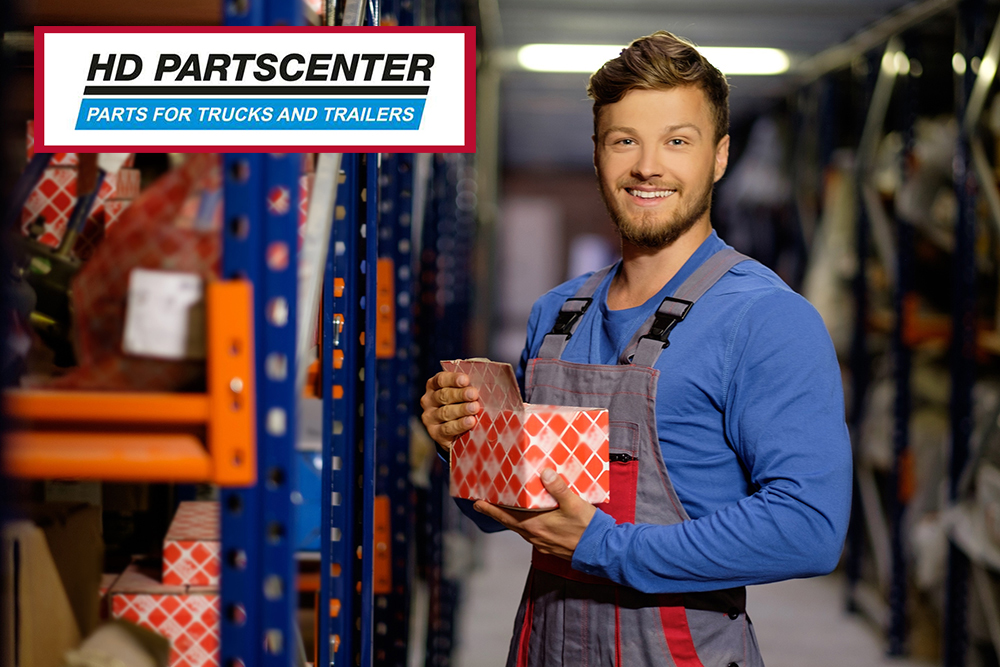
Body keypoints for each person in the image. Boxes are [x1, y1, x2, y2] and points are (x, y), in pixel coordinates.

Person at [420, 31, 852, 667]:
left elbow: (809, 529)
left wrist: (608, 548)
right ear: (597, 154)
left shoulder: (766, 319)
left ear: (719, 156)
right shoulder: (558, 315)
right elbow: (510, 512)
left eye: (678, 141)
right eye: (625, 140)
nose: (648, 166)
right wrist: (464, 447)